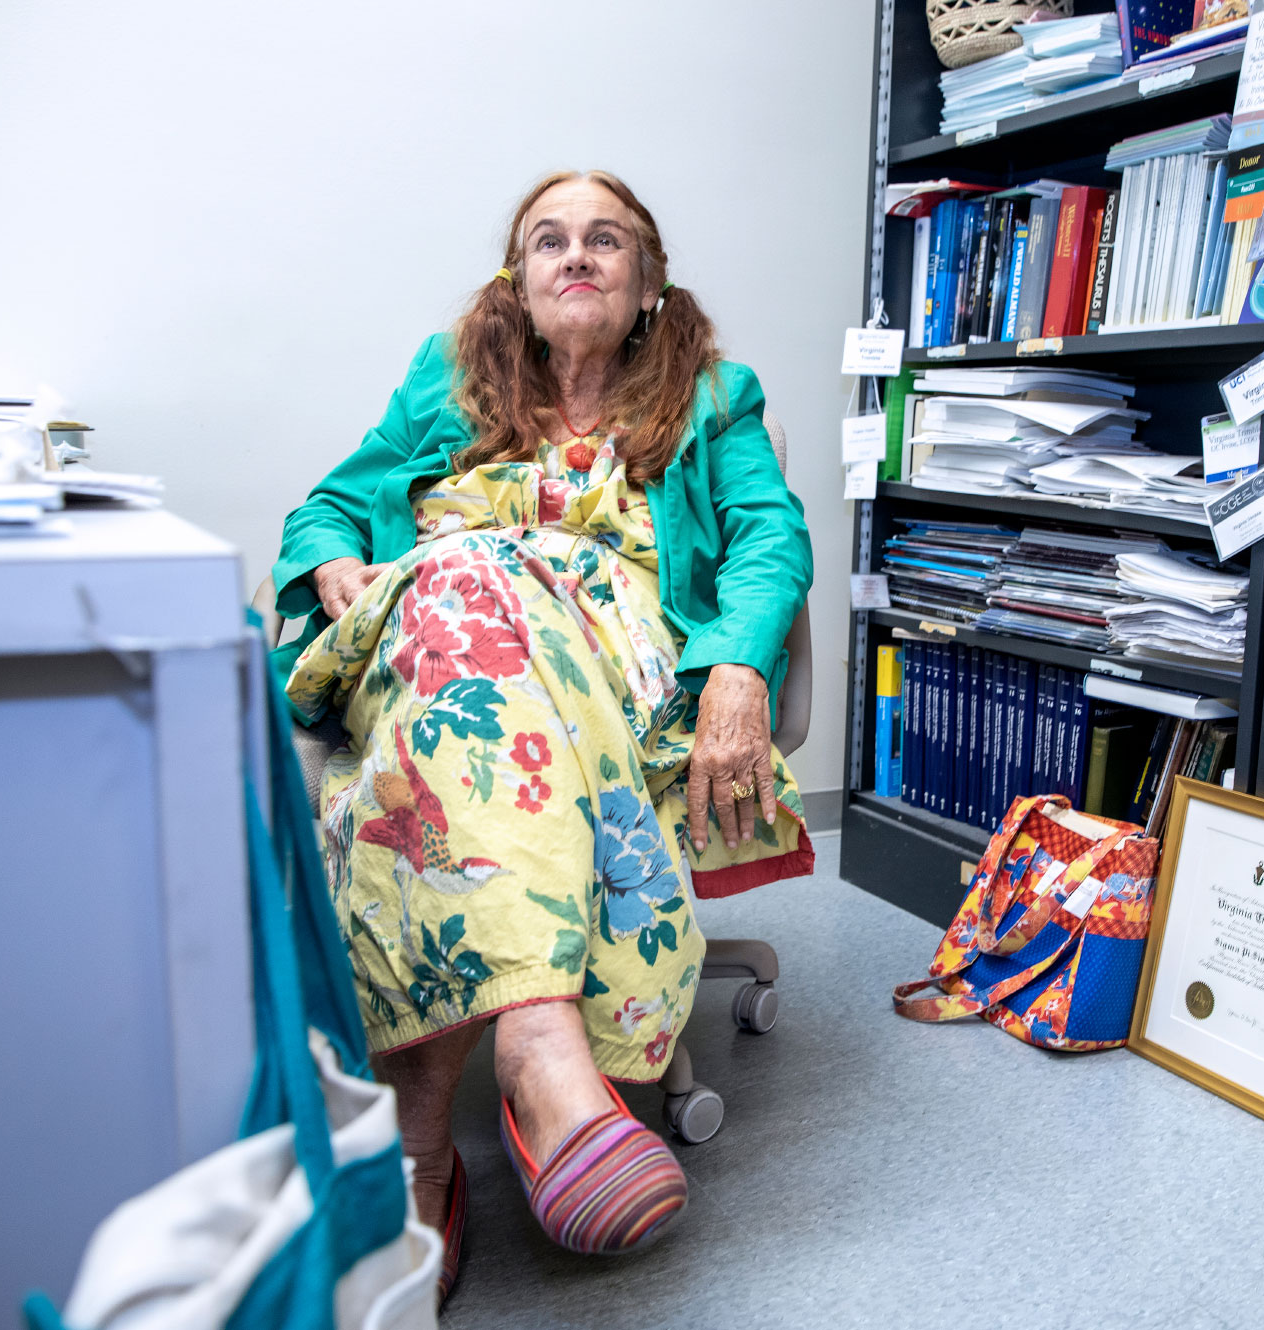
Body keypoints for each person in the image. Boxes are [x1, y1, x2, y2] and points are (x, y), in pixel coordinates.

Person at [270, 170, 814, 1302]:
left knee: (475, 618)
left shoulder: (715, 395)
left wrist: (735, 672)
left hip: (614, 660)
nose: (576, 257)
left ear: (647, 279)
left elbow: (768, 538)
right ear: (514, 279)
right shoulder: (447, 381)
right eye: (548, 240)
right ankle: (542, 1050)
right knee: (467, 579)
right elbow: (327, 506)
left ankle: (423, 1153)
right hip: (432, 635)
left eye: (604, 239)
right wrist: (332, 563)